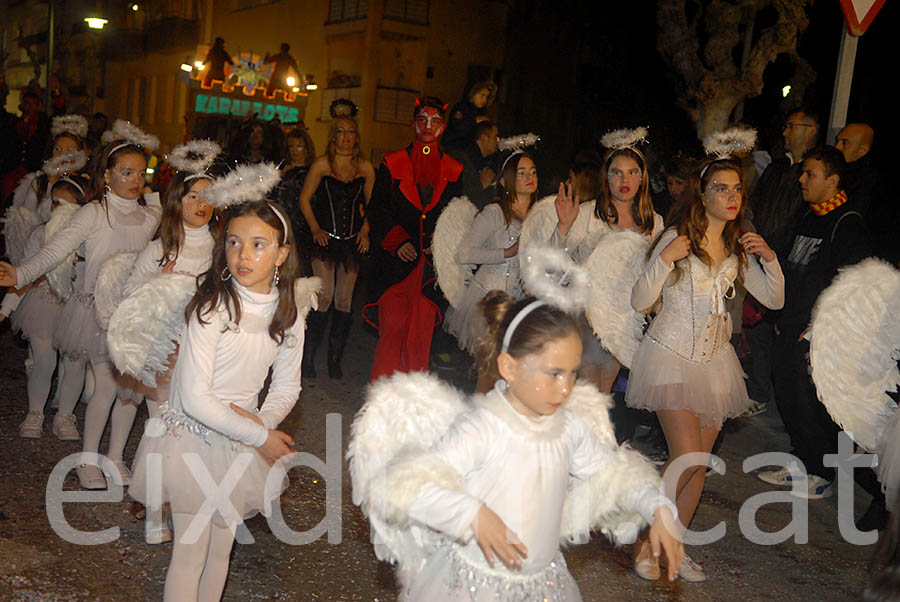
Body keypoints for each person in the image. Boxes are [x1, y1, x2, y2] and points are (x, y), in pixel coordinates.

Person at [350, 289, 683, 600]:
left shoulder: (569, 428)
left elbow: (613, 475)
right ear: (509, 367)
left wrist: (658, 507)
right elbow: (410, 490)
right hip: (474, 587)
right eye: (553, 373)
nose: (565, 388)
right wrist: (471, 513)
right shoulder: (482, 426)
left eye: (571, 373)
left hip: (542, 585)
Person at [129, 167, 311, 601]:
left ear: (281, 255)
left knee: (220, 553)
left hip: (239, 441)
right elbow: (193, 397)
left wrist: (260, 423)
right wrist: (259, 434)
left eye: (258, 244)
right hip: (192, 439)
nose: (242, 254)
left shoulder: (290, 315)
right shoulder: (213, 308)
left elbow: (288, 386)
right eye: (233, 242)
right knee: (189, 553)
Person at [627, 153, 785, 582]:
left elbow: (774, 301)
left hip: (715, 362)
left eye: (736, 189)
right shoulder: (677, 237)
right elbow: (640, 301)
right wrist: (663, 260)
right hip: (671, 356)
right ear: (703, 193)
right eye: (721, 188)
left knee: (699, 465)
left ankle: (673, 545)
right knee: (686, 457)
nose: (731, 196)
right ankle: (647, 543)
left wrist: (769, 258)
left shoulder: (738, 244)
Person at [0, 121, 162, 489]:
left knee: (130, 395)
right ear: (106, 175)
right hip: (96, 312)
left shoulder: (150, 216)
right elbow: (55, 250)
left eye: (141, 173)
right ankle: (88, 459)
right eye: (126, 172)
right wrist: (20, 274)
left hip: (134, 316)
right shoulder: (94, 213)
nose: (135, 180)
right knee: (105, 387)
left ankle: (116, 457)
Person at [757, 145, 871, 499]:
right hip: (790, 323)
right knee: (789, 397)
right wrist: (779, 315)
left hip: (816, 332)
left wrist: (820, 326)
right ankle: (802, 463)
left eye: (811, 174)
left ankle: (820, 474)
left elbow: (850, 282)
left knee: (810, 401)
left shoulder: (847, 222)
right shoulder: (808, 215)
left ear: (833, 180)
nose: (802, 180)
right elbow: (794, 268)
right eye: (803, 172)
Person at [546, 130, 665, 394]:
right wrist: (564, 226)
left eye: (632, 172)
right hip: (586, 315)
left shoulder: (654, 222)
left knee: (603, 391)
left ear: (642, 177)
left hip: (623, 318)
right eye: (617, 172)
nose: (625, 179)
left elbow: (656, 273)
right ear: (606, 176)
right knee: (588, 391)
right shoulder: (588, 213)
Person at [366, 96, 463, 381]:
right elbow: (378, 209)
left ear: (443, 128)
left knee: (419, 343)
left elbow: (456, 216)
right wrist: (398, 240)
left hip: (431, 274)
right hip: (394, 269)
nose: (428, 126)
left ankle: (411, 408)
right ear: (413, 124)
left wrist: (438, 242)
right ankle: (381, 401)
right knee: (390, 338)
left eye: (435, 121)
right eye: (422, 120)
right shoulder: (391, 163)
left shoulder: (454, 171)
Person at [1, 175, 86, 438]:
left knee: (74, 363)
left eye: (67, 204)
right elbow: (24, 274)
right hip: (43, 304)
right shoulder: (40, 234)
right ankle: (35, 413)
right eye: (55, 203)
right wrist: (5, 308)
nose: (59, 209)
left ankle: (65, 417)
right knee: (44, 359)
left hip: (75, 305)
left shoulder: (87, 237)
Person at [444, 151, 536, 391]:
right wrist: (505, 253)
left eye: (533, 172)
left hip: (520, 304)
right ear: (505, 180)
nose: (530, 177)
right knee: (490, 374)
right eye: (522, 173)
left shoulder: (541, 216)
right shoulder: (494, 213)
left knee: (512, 379)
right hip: (488, 302)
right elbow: (463, 254)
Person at [298, 99, 374, 378]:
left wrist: (366, 231)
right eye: (340, 131)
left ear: (356, 137)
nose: (345, 136)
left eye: (350, 132)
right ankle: (307, 357)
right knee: (325, 297)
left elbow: (373, 204)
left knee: (345, 301)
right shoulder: (322, 164)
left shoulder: (365, 168)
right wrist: (315, 228)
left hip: (352, 240)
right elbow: (304, 199)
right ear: (333, 136)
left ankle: (334, 360)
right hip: (325, 240)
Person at [443, 80, 497, 167]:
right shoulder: (461, 108)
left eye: (487, 97)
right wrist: (474, 120)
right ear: (472, 94)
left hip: (471, 152)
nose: (484, 100)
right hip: (456, 150)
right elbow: (458, 127)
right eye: (482, 95)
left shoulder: (481, 112)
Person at [446, 120, 498, 210]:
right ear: (484, 138)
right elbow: (462, 197)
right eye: (495, 137)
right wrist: (482, 184)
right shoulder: (460, 159)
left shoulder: (482, 162)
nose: (498, 141)